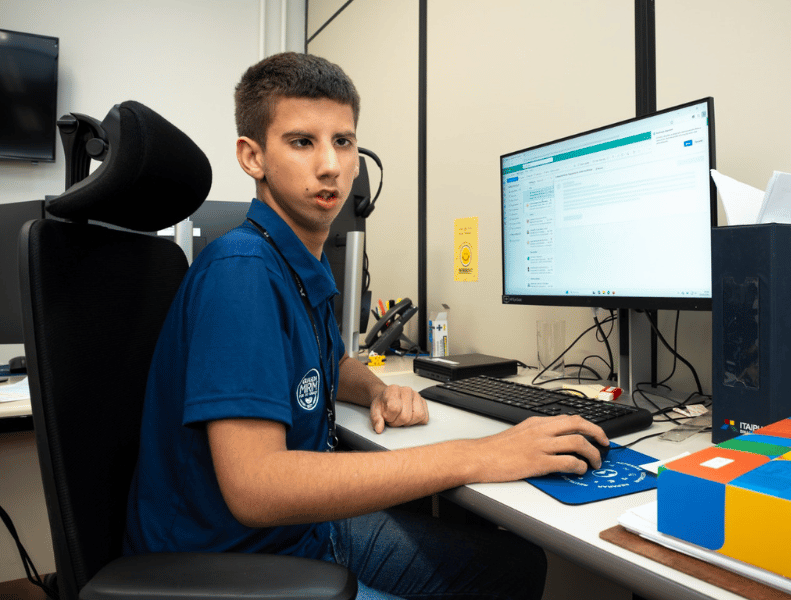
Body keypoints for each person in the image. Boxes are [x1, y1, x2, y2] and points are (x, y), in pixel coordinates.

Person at [123, 52, 608, 600]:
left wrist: (378, 389)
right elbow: (256, 488)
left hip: (297, 537)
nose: (330, 165)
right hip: (233, 566)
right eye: (302, 142)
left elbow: (329, 361)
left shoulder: (295, 266)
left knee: (514, 565)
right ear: (252, 156)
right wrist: (481, 453)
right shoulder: (243, 274)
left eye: (345, 142)